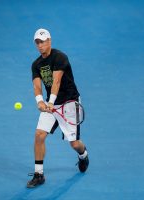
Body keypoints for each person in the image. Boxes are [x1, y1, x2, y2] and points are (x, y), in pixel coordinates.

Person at [27, 28, 89, 188]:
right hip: (51, 105)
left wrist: (51, 101)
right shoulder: (36, 65)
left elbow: (56, 82)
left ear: (50, 41)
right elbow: (37, 86)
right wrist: (40, 101)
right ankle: (39, 174)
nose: (40, 45)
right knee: (39, 135)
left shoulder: (60, 57)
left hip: (69, 102)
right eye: (37, 42)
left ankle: (83, 155)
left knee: (74, 144)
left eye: (43, 41)